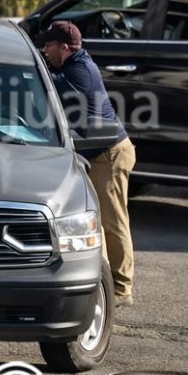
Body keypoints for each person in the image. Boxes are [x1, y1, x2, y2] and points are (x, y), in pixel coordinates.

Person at [35, 20, 137, 307]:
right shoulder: (75, 63)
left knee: (113, 222)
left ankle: (122, 289)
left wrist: (36, 65)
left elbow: (50, 86)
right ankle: (104, 284)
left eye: (49, 46)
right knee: (97, 222)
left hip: (110, 154)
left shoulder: (80, 71)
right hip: (98, 153)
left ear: (65, 47)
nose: (46, 50)